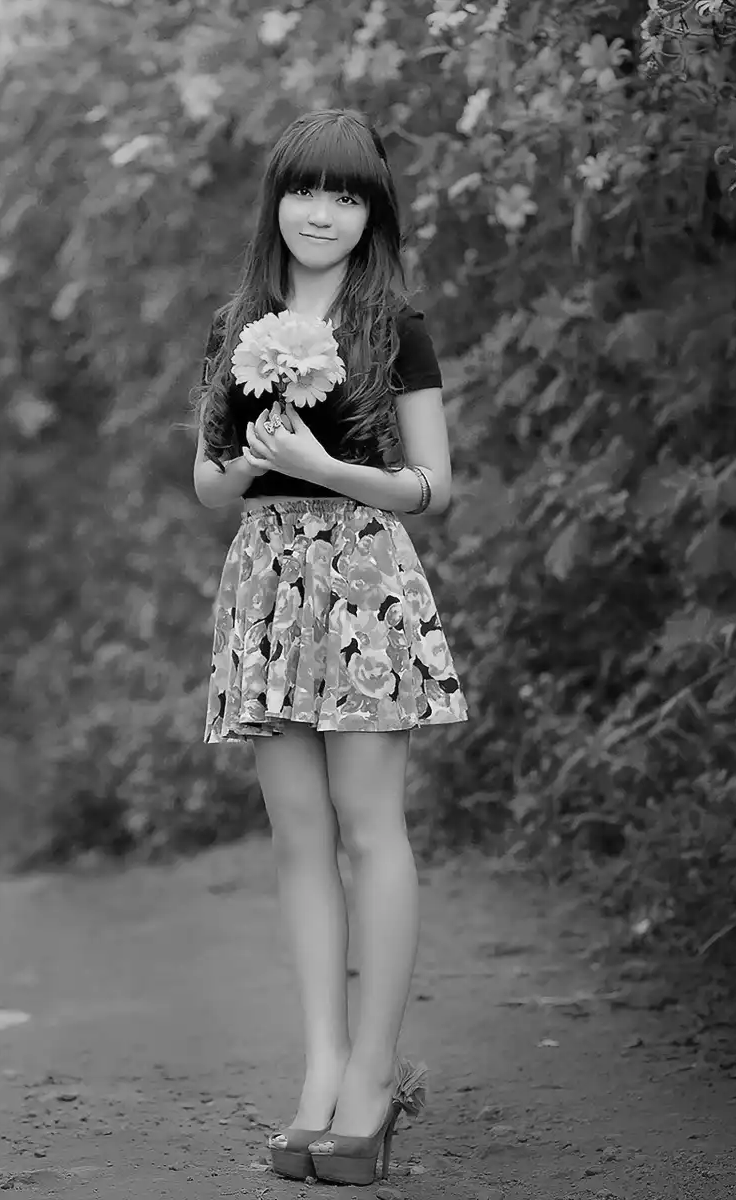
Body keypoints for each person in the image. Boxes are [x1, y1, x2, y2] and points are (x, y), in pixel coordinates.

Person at [190, 108, 470, 1187]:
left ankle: (373, 1079)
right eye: (305, 190)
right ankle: (319, 1073)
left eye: (346, 194)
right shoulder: (236, 322)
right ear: (276, 203)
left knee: (369, 829)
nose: (321, 211)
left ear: (372, 211)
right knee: (298, 840)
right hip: (263, 582)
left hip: (362, 582)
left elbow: (435, 489)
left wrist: (328, 462)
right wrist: (254, 457)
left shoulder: (397, 326)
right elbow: (210, 487)